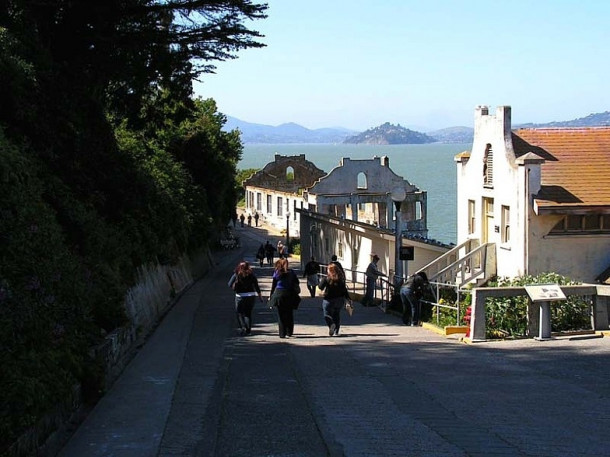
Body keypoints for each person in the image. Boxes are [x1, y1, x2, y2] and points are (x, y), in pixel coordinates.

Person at [228, 261, 264, 335]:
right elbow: (256, 286)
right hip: (251, 296)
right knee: (248, 313)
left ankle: (242, 327)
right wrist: (260, 296)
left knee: (239, 313)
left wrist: (235, 288)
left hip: (240, 296)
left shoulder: (236, 274)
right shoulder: (251, 275)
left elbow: (229, 284)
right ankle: (248, 331)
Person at [268, 258, 301, 338]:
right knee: (289, 313)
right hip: (289, 294)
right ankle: (289, 332)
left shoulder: (277, 273)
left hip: (279, 294)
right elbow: (297, 282)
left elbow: (273, 286)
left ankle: (282, 333)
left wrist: (271, 296)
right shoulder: (292, 272)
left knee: (281, 314)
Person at [318, 263, 352, 337]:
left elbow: (320, 287)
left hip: (328, 300)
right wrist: (348, 298)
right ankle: (336, 330)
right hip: (339, 300)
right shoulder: (341, 279)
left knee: (327, 314)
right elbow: (344, 290)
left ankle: (331, 324)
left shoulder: (326, 279)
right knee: (337, 314)